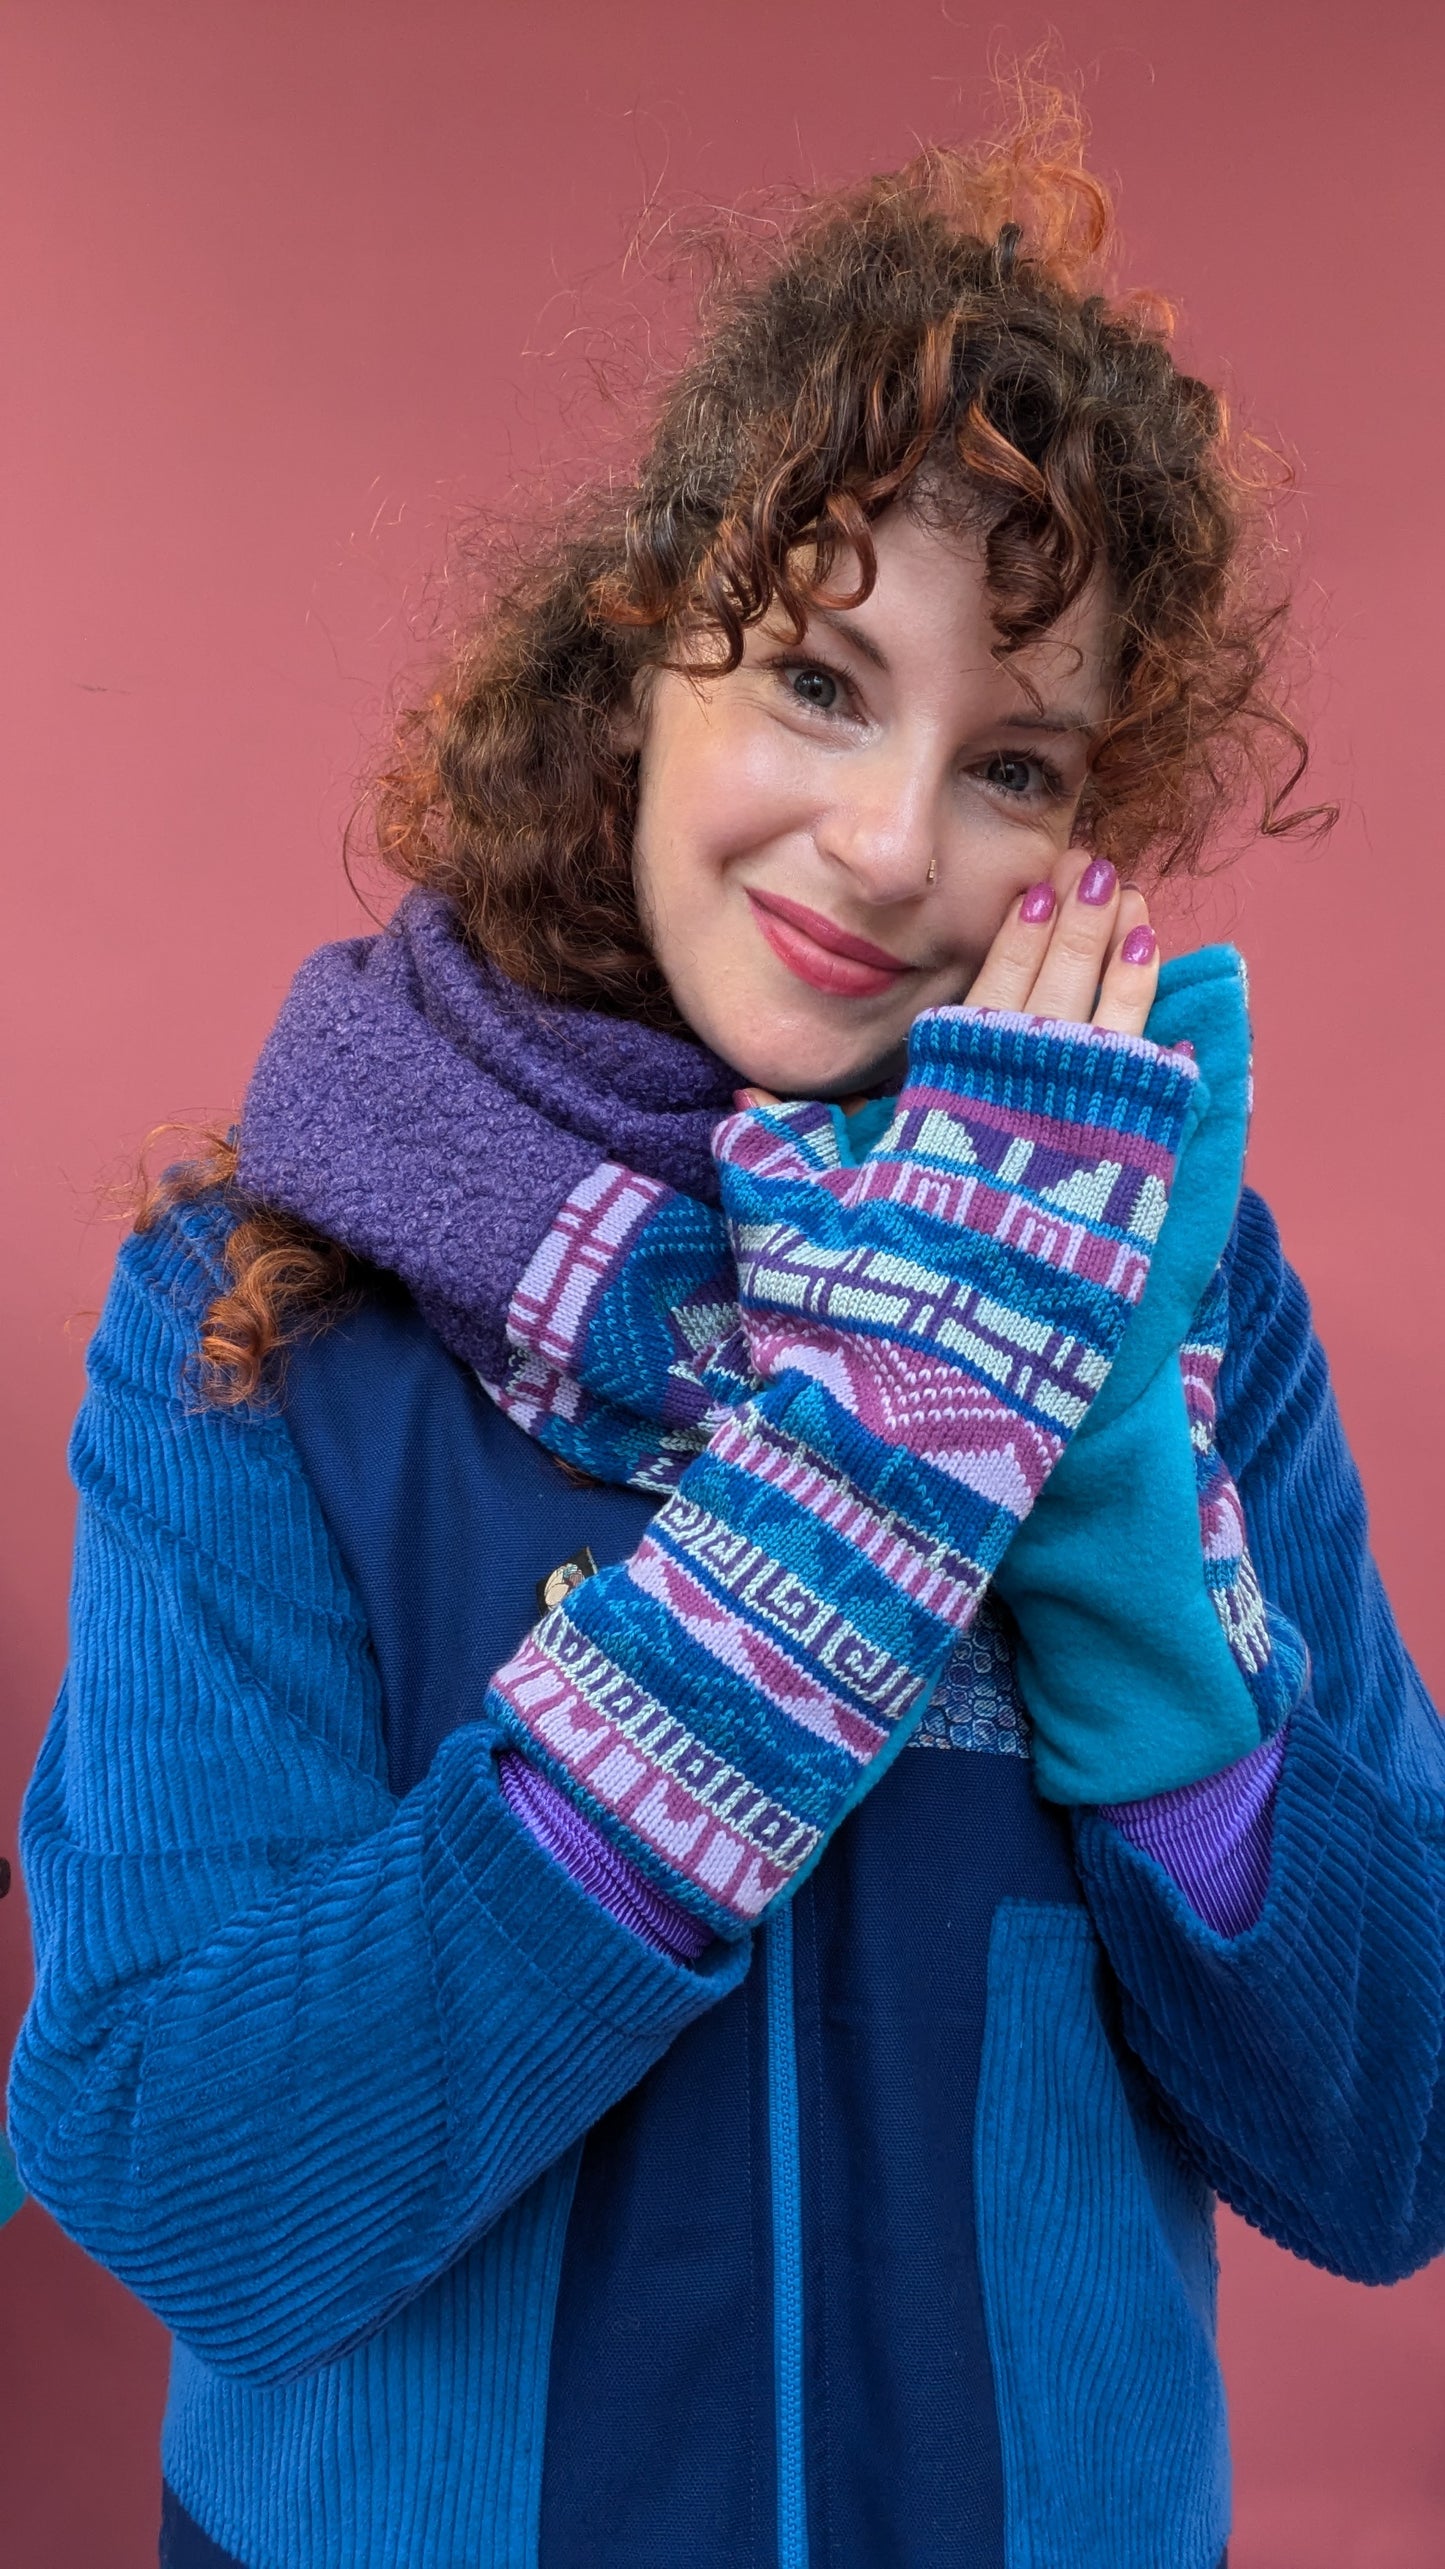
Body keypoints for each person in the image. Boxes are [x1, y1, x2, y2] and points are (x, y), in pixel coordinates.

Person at [10, 112, 1445, 2569]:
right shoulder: (264, 1302)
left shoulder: (1183, 1301)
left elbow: (1384, 2141)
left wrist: (1100, 1523)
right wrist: (837, 1522)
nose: (891, 847)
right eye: (815, 676)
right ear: (637, 652)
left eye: (1012, 762)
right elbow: (197, 2185)